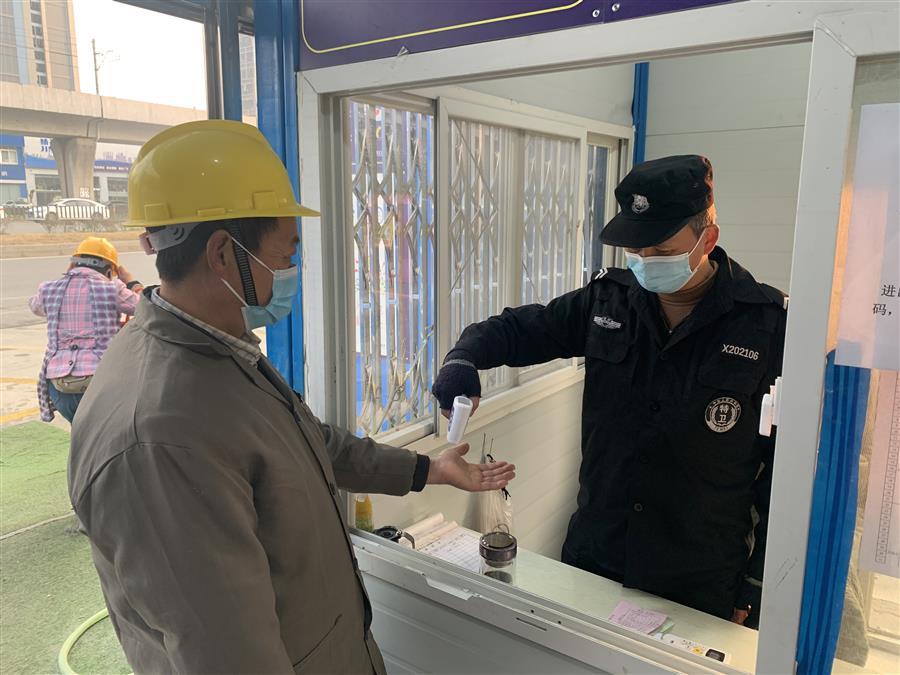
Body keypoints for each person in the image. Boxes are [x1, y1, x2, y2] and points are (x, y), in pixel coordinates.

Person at [68, 120, 515, 674]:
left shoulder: (220, 350)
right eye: (283, 256)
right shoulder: (159, 437)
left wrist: (428, 469)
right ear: (223, 254)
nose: (290, 272)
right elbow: (229, 657)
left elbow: (307, 442)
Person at [432, 155, 786, 629]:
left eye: (661, 249)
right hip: (597, 555)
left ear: (708, 239)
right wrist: (463, 357)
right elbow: (521, 328)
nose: (645, 261)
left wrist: (759, 582)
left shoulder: (765, 325)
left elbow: (784, 472)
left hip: (697, 577)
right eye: (635, 249)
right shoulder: (608, 300)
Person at [29, 237, 143, 423]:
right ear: (109, 270)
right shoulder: (111, 288)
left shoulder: (48, 289)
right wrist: (132, 283)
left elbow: (35, 307)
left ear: (73, 263)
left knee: (80, 433)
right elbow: (146, 308)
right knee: (104, 434)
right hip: (100, 382)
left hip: (60, 386)